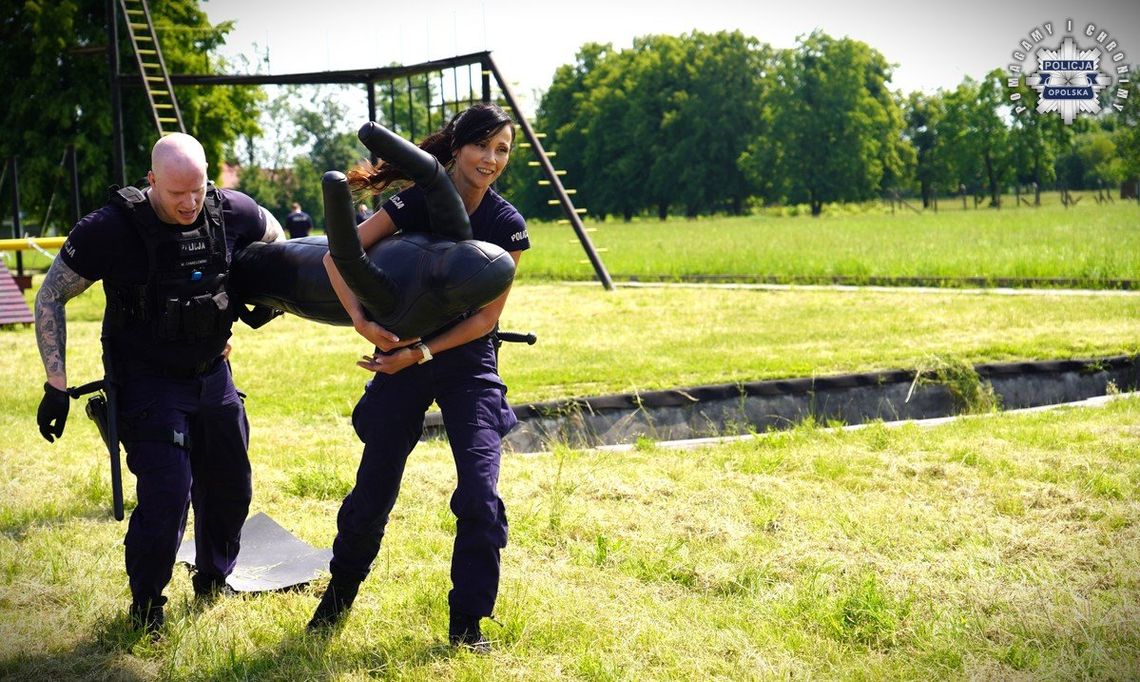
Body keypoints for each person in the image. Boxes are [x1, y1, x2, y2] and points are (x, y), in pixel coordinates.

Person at [33, 132, 285, 634]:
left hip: (213, 375)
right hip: (147, 383)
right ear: (152, 181)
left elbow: (280, 245)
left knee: (231, 485)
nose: (190, 202)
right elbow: (49, 297)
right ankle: (146, 603)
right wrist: (56, 384)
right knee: (169, 492)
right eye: (176, 193)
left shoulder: (231, 211)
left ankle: (214, 577)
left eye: (198, 189)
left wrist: (260, 299)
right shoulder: (110, 230)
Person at [307, 104, 530, 652]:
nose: (492, 159)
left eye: (502, 150)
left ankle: (467, 626)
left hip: (467, 361)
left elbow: (485, 319)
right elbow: (340, 256)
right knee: (374, 488)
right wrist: (363, 322)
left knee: (480, 495)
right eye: (484, 146)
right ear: (457, 147)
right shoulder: (413, 202)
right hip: (401, 357)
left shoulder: (507, 225)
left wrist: (424, 351)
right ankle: (337, 598)